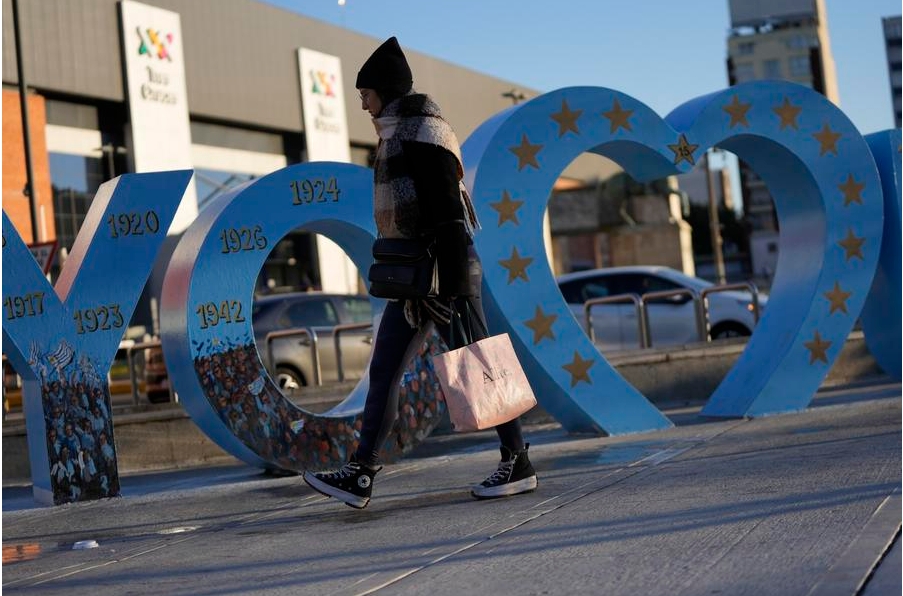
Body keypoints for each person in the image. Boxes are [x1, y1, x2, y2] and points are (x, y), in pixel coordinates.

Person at [303, 37, 537, 509]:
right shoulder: (398, 134)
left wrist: (451, 289)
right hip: (415, 278)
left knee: (479, 365)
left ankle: (519, 462)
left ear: (384, 92)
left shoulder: (423, 135)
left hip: (443, 274)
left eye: (365, 93)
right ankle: (361, 473)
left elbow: (450, 216)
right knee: (384, 370)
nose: (362, 103)